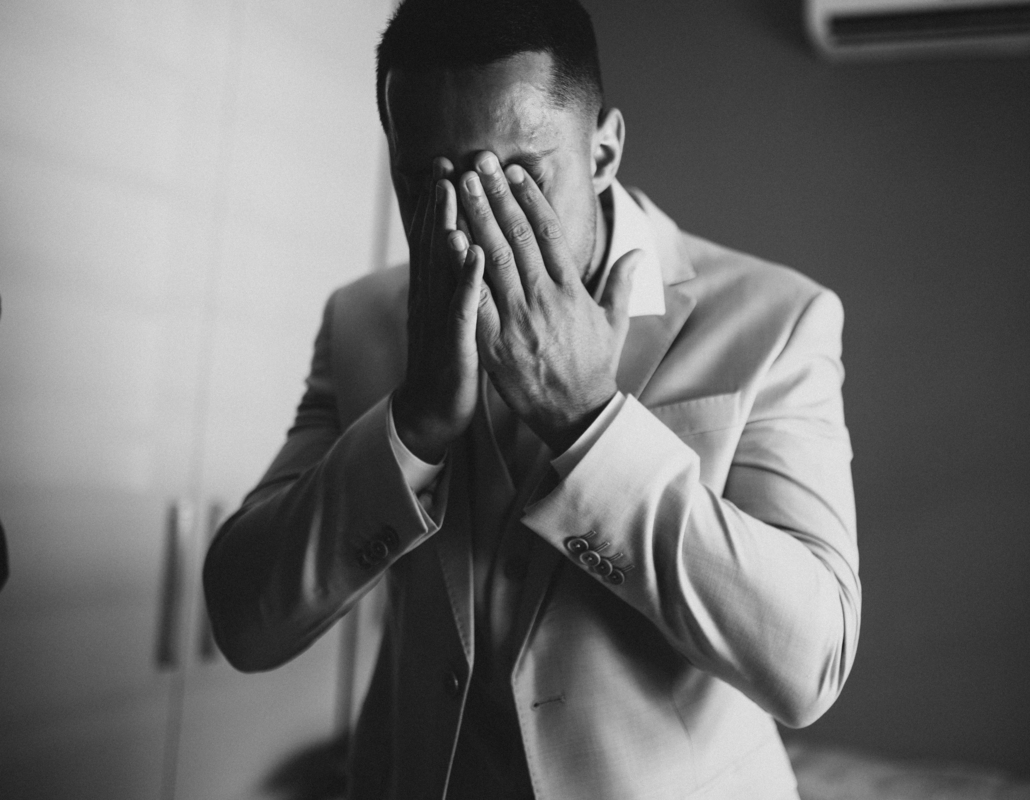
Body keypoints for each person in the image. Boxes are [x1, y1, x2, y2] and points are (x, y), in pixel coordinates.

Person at [202, 1, 860, 798]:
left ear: (603, 151)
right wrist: (411, 429)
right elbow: (245, 621)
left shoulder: (775, 320)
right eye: (427, 182)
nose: (473, 222)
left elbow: (811, 663)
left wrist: (588, 422)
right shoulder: (361, 321)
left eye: (517, 178)